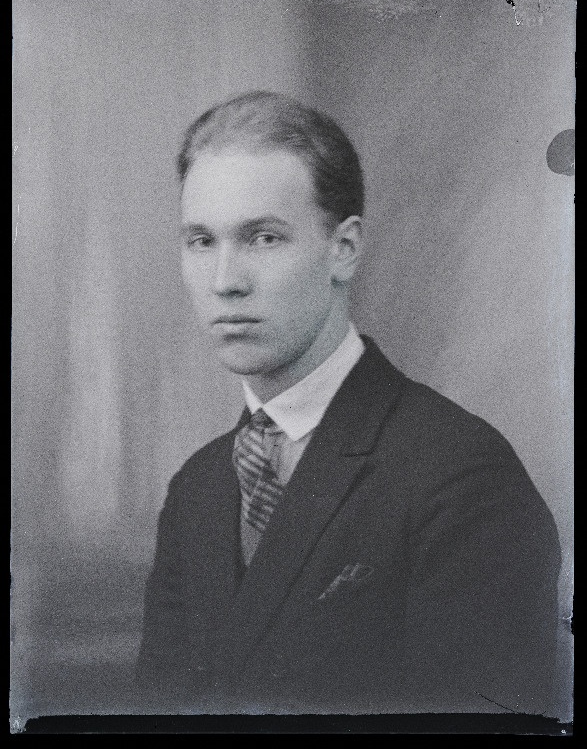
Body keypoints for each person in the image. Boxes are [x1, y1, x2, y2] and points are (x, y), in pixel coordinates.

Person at [136, 91, 561, 715]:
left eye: (264, 238)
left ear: (344, 249)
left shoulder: (461, 475)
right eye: (201, 241)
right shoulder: (197, 490)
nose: (225, 280)